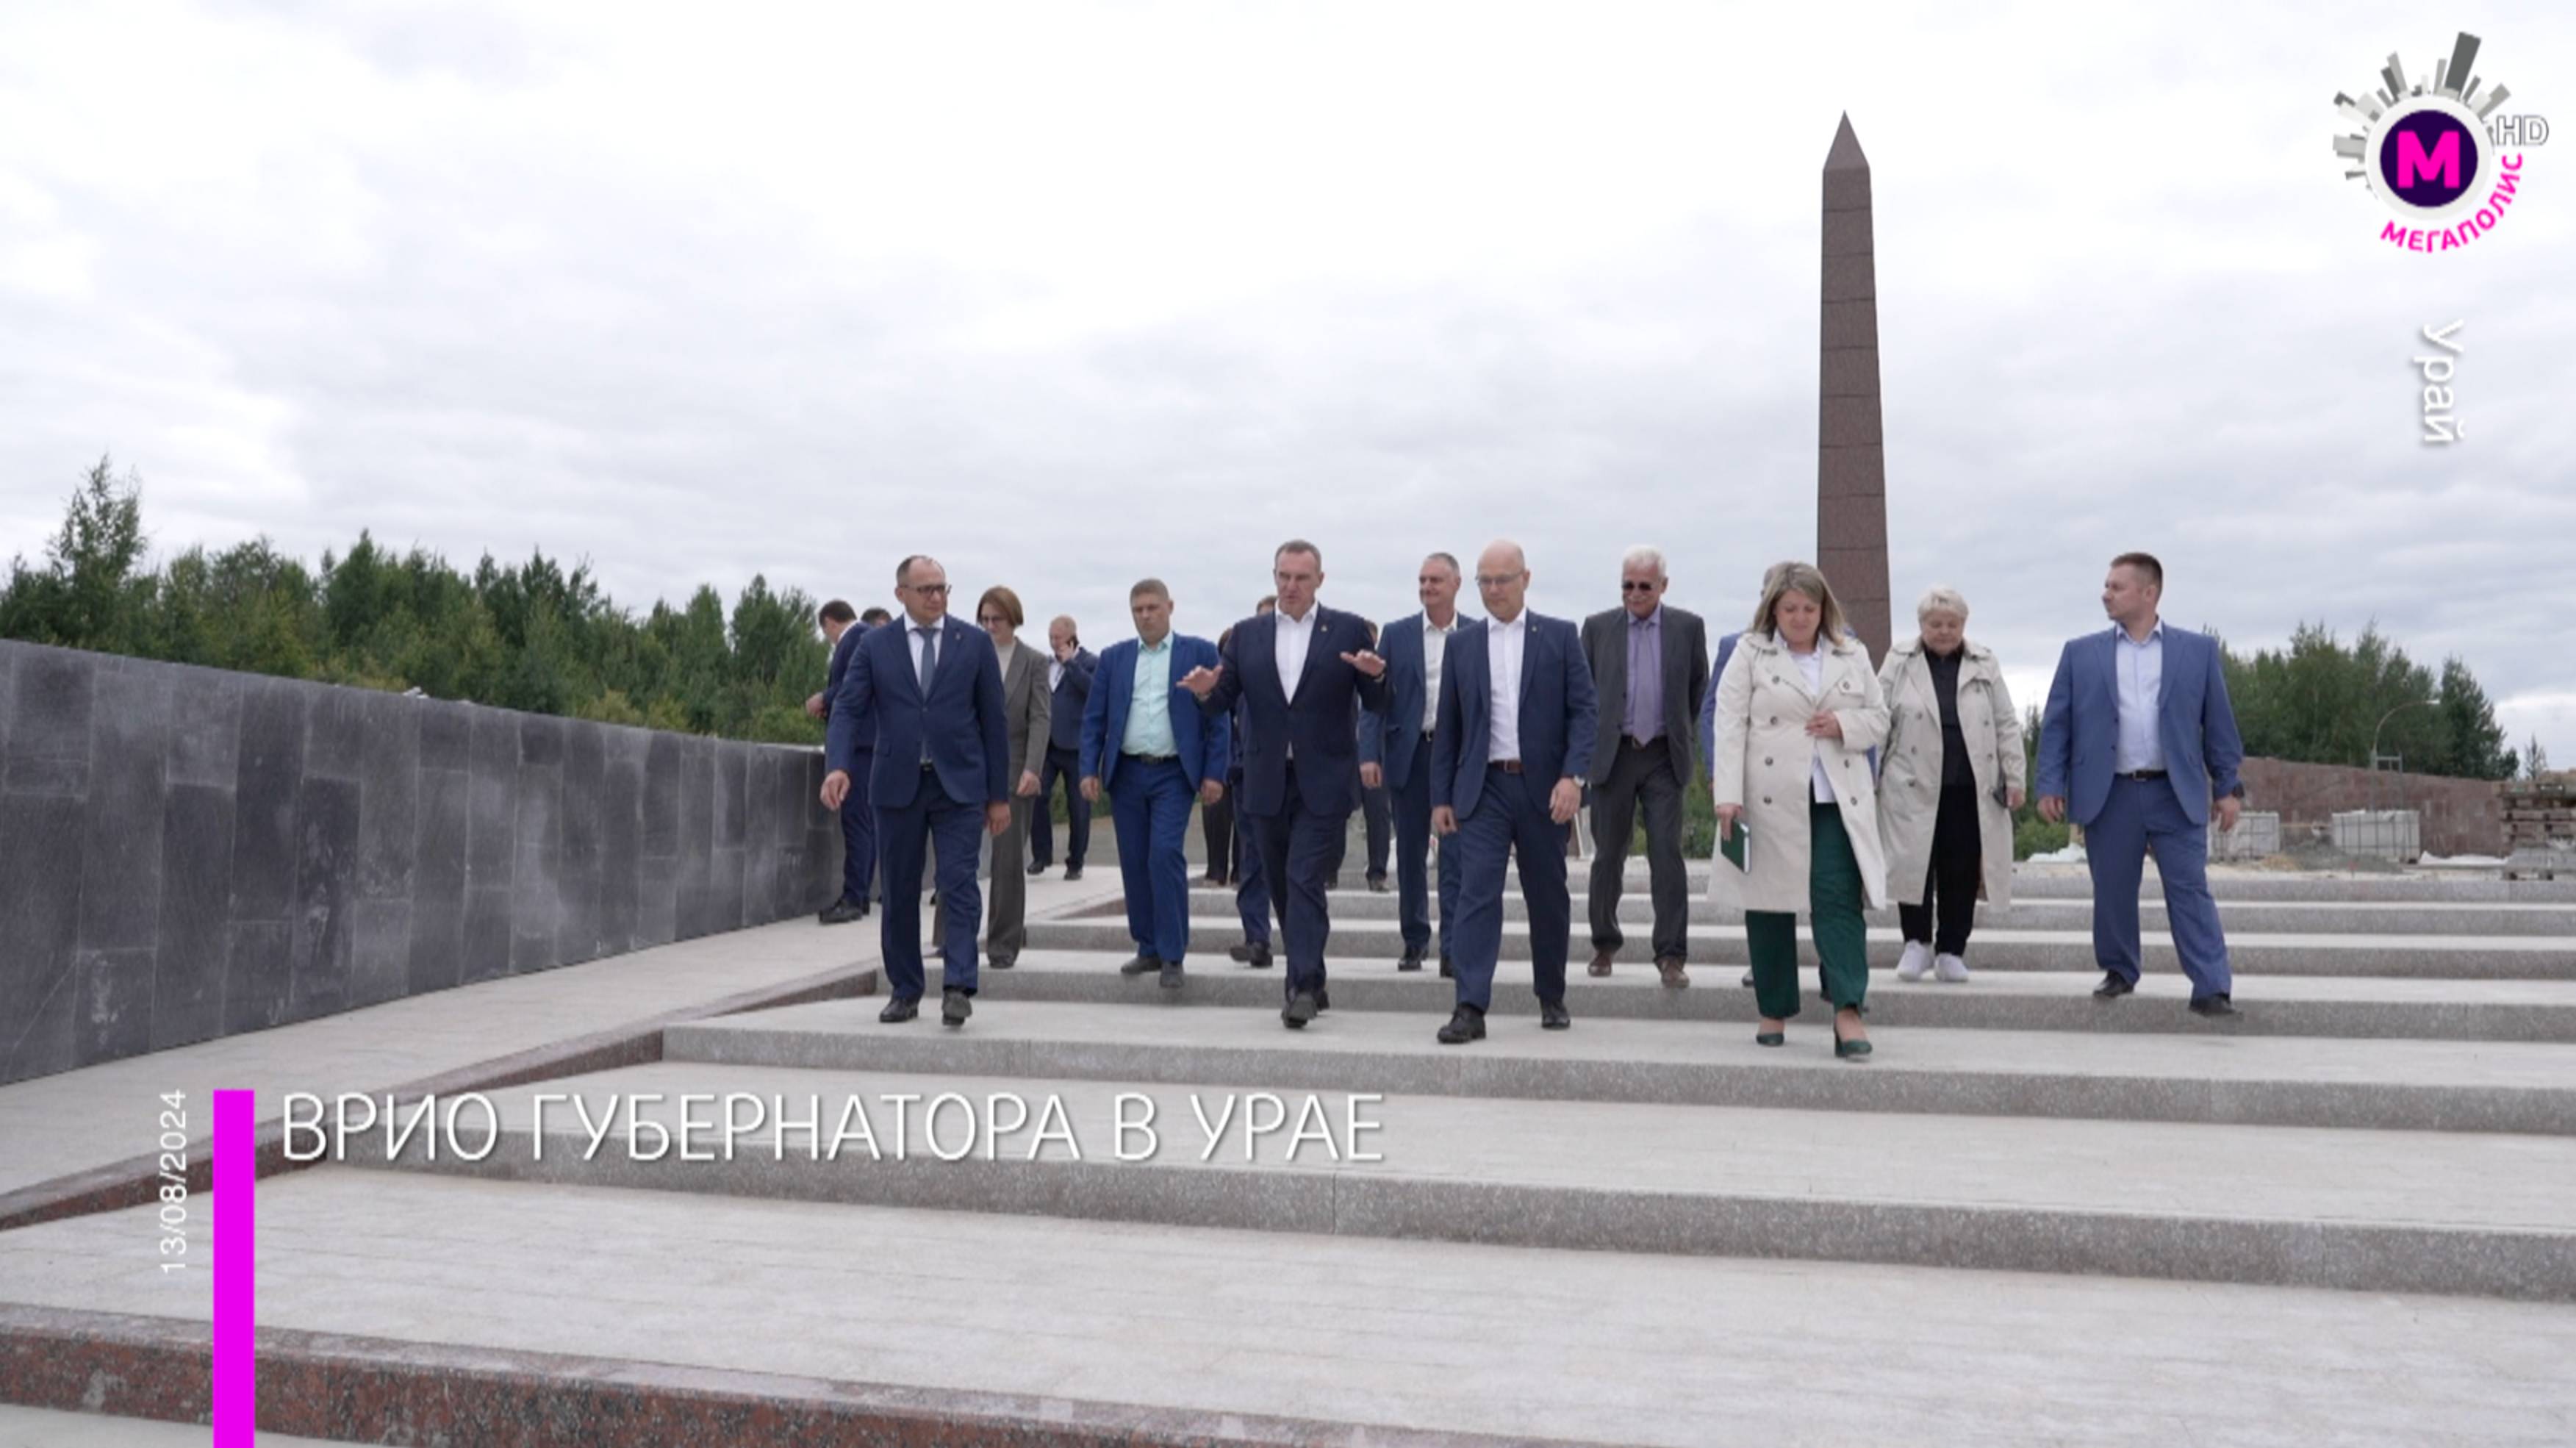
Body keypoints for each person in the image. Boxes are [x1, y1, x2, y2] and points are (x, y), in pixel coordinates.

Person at [1182, 540, 1390, 1029]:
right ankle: (1313, 975)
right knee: (1281, 885)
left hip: (1324, 781)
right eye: (1284, 576)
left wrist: (1378, 679)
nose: (1291, 586)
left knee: (1303, 878)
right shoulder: (1247, 635)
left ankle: (1301, 988)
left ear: (1319, 580)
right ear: (1274, 576)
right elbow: (1222, 701)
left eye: (1301, 577)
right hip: (1265, 780)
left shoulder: (1347, 628)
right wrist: (1205, 692)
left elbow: (1377, 702)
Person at [2036, 552, 2245, 1017]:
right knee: (2113, 889)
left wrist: (2228, 788)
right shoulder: (2080, 654)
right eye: (2106, 585)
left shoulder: (2197, 651)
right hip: (2109, 793)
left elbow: (2219, 725)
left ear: (2149, 593)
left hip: (2175, 792)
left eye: (2116, 587)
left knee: (2190, 889)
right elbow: (2057, 725)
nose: (2105, 594)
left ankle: (2211, 985)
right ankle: (2119, 969)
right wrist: (2050, 782)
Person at [821, 556, 1012, 1028]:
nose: (936, 597)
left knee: (959, 882)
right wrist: (838, 765)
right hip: (896, 785)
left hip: (959, 786)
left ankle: (958, 985)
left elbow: (995, 722)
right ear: (901, 594)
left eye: (942, 588)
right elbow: (847, 707)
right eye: (925, 589)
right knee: (900, 890)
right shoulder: (875, 645)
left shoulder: (974, 644)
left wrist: (998, 796)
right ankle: (905, 990)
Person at [1711, 562, 1890, 1061]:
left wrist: (1843, 725)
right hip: (1767, 796)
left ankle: (1847, 1010)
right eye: (1789, 608)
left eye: (1809, 608)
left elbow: (1880, 718)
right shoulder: (1749, 652)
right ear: (1773, 609)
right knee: (1768, 903)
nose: (1799, 617)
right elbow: (1729, 722)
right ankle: (1773, 1008)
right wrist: (1727, 794)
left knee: (1839, 902)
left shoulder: (1851, 652)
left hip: (1834, 797)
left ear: (1823, 609)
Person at [1429, 540, 1597, 1044]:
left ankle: (1551, 994)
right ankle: (1469, 1005)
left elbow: (1584, 712)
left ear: (1525, 579)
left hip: (1544, 789)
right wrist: (1441, 798)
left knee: (1547, 895)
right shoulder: (1462, 645)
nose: (1493, 589)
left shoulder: (1559, 636)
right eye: (1485, 581)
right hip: (1483, 789)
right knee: (1476, 893)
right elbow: (1449, 726)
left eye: (1502, 580)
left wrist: (1572, 777)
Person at [1081, 578, 1228, 989]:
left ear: (1169, 607)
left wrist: (1214, 773)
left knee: (1164, 854)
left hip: (1173, 773)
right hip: (1127, 773)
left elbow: (1219, 718)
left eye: (1153, 608)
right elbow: (1094, 719)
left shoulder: (1199, 653)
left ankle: (1173, 953)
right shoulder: (1114, 658)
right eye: (1138, 609)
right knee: (1134, 860)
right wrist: (1088, 769)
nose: (1146, 616)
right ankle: (1147, 945)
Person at [1877, 587, 2023, 983]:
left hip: (1968, 784)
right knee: (1913, 865)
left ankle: (1952, 950)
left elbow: (2006, 722)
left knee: (1961, 870)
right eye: (1935, 624)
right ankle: (1916, 943)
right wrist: (1868, 776)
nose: (1943, 631)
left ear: (1964, 625)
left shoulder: (1984, 663)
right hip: (1910, 783)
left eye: (1952, 624)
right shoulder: (1899, 661)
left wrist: (2015, 776)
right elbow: (1878, 718)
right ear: (1921, 625)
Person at [1579, 546, 1709, 988]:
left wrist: (1678, 730)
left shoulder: (1688, 628)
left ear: (1663, 586)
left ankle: (1671, 954)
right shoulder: (1597, 629)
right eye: (1627, 586)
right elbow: (1584, 692)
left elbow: (1697, 688)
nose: (1634, 594)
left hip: (1662, 756)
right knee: (1608, 854)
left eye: (1644, 586)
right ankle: (1604, 943)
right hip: (1613, 756)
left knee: (1666, 854)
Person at [1363, 553, 1472, 975]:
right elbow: (1375, 699)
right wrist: (1369, 754)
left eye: (1435, 581)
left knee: (1456, 855)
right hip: (1410, 754)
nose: (1427, 588)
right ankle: (1414, 940)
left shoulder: (1476, 633)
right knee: (1410, 854)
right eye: (1422, 580)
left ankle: (1453, 947)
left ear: (1456, 584)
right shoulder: (1397, 634)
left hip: (1458, 759)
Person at [974, 587, 1051, 969]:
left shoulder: (1033, 662)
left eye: (997, 620)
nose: (990, 627)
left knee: (1006, 862)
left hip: (1015, 767)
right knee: (958, 856)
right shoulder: (970, 656)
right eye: (984, 620)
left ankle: (1003, 942)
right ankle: (950, 936)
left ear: (1013, 620)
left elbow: (1040, 717)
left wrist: (1032, 768)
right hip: (969, 768)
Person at [808, 599, 876, 925]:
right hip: (869, 744)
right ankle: (859, 895)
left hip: (860, 746)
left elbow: (854, 689)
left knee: (857, 822)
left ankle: (853, 897)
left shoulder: (857, 638)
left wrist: (824, 698)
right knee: (866, 824)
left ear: (830, 623)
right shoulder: (866, 636)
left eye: (827, 633)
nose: (830, 640)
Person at [1225, 598, 1278, 967]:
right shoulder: (1242, 667)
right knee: (1252, 859)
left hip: (1297, 775)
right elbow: (1222, 717)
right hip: (1249, 773)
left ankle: (1302, 942)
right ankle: (1257, 937)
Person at [1030, 615, 1097, 881]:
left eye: (1058, 637)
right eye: (1051, 637)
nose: (1053, 642)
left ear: (1071, 637)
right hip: (1049, 745)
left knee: (1078, 806)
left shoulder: (1090, 662)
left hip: (1077, 745)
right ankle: (1041, 854)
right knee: (1037, 796)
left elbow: (1093, 692)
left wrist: (1071, 664)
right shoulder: (1047, 665)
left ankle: (1076, 861)